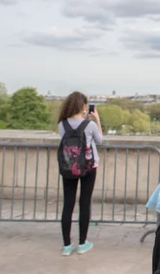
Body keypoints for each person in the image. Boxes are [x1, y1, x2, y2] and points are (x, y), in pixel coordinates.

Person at [57, 91, 103, 256]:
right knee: (84, 203)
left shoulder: (62, 124)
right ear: (84, 106)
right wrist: (96, 119)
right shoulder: (89, 125)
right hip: (88, 167)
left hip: (68, 166)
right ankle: (82, 242)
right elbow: (99, 140)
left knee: (67, 205)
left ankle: (67, 245)